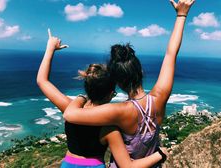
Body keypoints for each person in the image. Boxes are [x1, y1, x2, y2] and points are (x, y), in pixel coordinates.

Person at [64, 0, 195, 167]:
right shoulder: (159, 97)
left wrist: (82, 97)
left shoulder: (118, 111)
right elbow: (171, 54)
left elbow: (69, 115)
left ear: (117, 82)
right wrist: (181, 15)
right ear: (140, 72)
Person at [37, 29, 167, 168]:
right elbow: (127, 165)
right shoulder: (110, 125)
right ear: (111, 93)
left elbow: (42, 81)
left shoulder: (71, 107)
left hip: (69, 164)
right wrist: (160, 154)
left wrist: (50, 48)